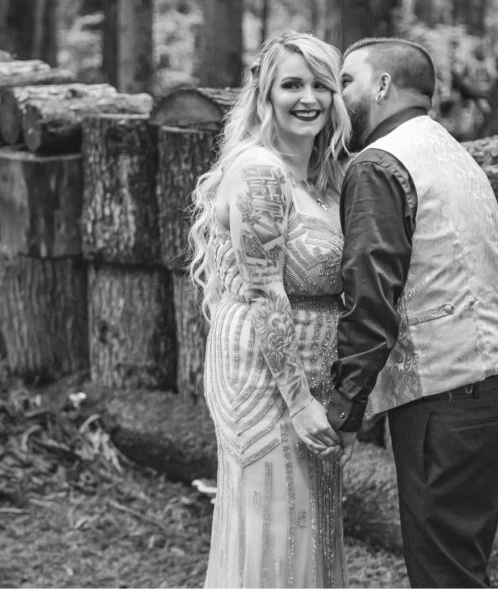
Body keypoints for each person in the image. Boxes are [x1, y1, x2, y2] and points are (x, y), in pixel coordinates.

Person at [326, 37, 498, 588]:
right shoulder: (453, 154)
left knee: (443, 576)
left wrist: (345, 411)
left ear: (383, 86)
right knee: (462, 567)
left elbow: (370, 293)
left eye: (347, 80)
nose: (337, 95)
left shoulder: (380, 165)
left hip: (444, 398)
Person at [188, 31, 352, 588]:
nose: (308, 98)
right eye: (291, 85)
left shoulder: (328, 177)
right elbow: (266, 293)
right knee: (275, 519)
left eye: (321, 85)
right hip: (265, 373)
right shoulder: (260, 171)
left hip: (314, 375)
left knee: (312, 524)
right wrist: (301, 400)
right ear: (264, 95)